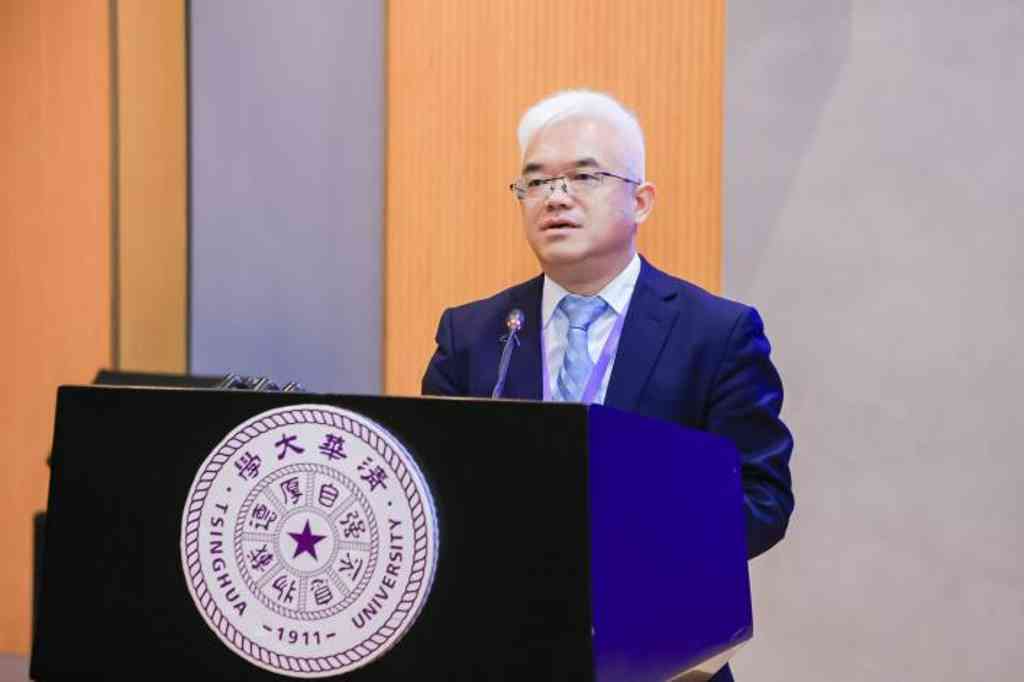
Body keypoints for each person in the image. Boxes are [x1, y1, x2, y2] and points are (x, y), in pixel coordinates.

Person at [421, 90, 793, 681]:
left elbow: (762, 498)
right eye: (536, 182)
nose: (556, 197)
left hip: (662, 656)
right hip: (503, 652)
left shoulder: (715, 334)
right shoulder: (472, 334)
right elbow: (430, 492)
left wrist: (634, 547)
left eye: (584, 177)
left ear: (640, 201)